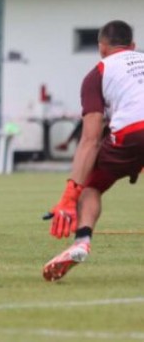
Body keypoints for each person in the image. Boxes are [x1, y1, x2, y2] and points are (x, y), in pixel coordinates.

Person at [42, 20, 144, 281]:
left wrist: (69, 195)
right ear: (133, 46)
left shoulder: (98, 73)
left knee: (91, 186)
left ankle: (82, 241)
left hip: (130, 133)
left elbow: (90, 138)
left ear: (101, 48)